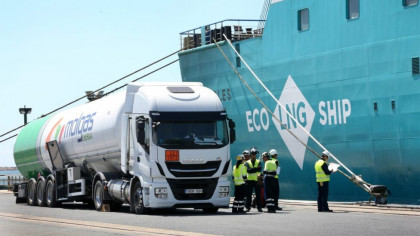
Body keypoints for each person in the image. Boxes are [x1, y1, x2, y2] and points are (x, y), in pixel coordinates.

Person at [244, 147, 262, 212]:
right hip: (249, 180)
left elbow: (259, 168)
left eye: (254, 154)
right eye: (252, 154)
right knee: (249, 195)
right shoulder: (247, 162)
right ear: (250, 155)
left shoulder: (258, 161)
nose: (253, 155)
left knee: (258, 195)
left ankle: (259, 207)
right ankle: (247, 207)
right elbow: (248, 171)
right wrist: (255, 169)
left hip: (257, 180)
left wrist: (252, 170)